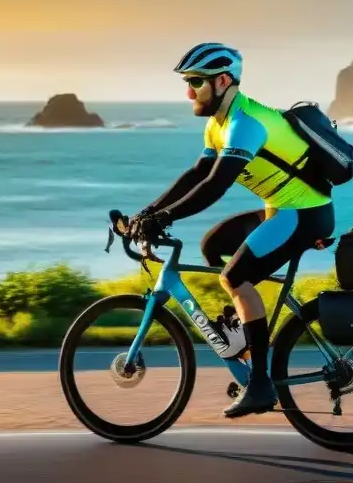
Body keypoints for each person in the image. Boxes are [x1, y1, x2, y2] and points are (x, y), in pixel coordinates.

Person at [126, 42, 336, 419]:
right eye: (187, 83)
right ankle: (243, 333)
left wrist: (165, 218)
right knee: (213, 245)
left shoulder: (245, 124)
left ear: (223, 81)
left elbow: (216, 185)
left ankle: (259, 384)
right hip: (281, 209)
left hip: (304, 214)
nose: (188, 92)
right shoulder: (217, 125)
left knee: (235, 277)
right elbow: (197, 175)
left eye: (195, 82)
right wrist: (148, 213)